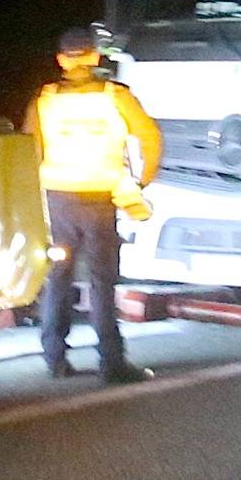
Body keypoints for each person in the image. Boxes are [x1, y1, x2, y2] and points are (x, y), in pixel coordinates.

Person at [32, 27, 163, 384]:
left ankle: (55, 359)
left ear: (60, 60)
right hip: (100, 202)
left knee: (58, 277)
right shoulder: (115, 96)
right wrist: (140, 182)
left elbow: (28, 146)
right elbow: (150, 138)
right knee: (102, 281)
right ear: (94, 56)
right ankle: (112, 363)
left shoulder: (44, 99)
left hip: (57, 201)